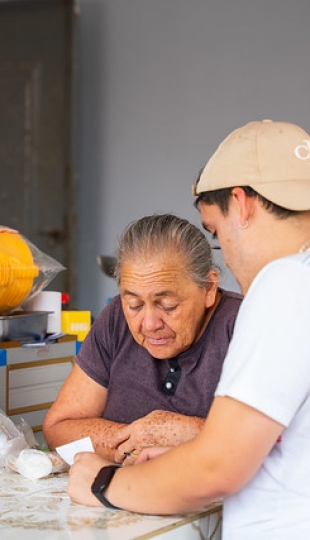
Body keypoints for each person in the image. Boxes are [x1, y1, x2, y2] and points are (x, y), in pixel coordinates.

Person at [67, 119, 310, 540]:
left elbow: (218, 467)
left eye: (216, 234)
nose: (228, 258)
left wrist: (103, 483)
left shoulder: (286, 282)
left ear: (242, 202)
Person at [43, 213, 242, 463]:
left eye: (168, 305)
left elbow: (281, 445)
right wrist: (134, 440)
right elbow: (58, 428)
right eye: (135, 304)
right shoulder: (115, 318)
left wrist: (189, 434)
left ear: (209, 288)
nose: (149, 324)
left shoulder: (246, 326)